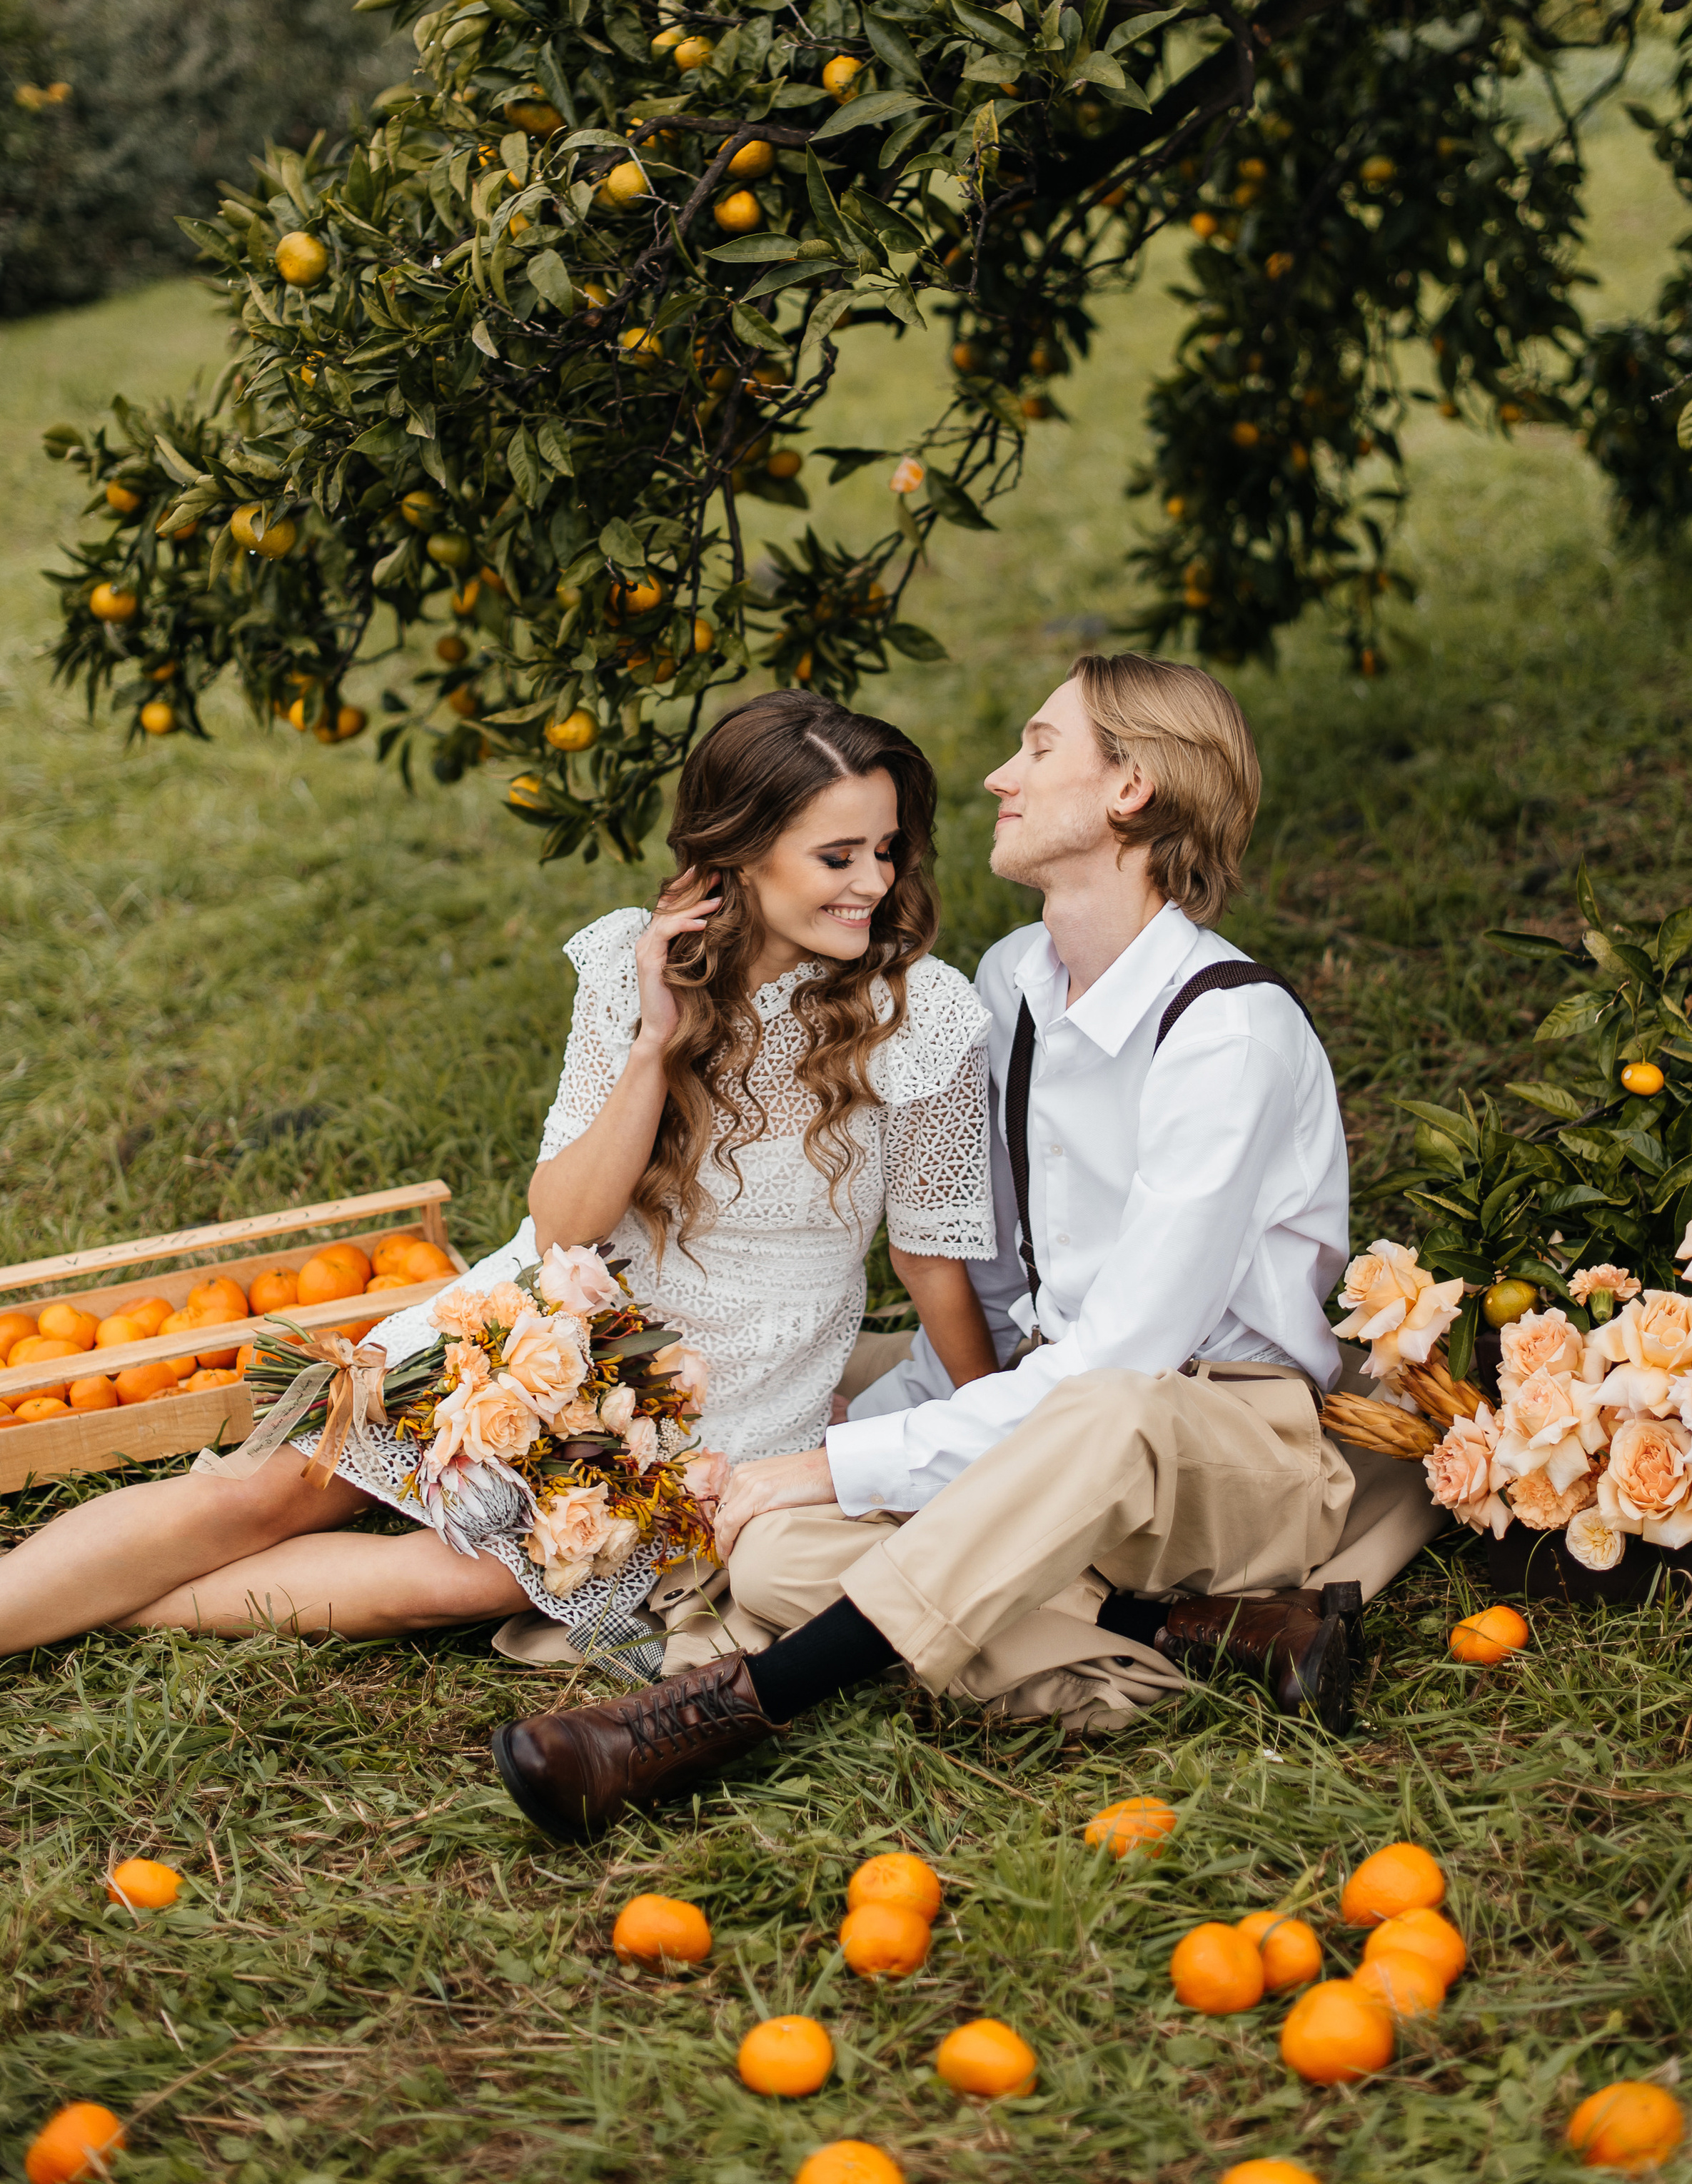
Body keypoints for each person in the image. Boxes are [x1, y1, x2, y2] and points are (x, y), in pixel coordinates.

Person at [492, 655, 1441, 1841]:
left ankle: (728, 1710)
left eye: (1040, 748)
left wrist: (838, 1466)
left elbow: (1126, 1362)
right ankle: (1203, 1638)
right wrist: (885, 1428)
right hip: (1051, 1419)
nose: (1000, 775)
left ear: (1130, 790)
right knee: (777, 1559)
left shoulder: (1228, 1036)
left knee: (1092, 1411)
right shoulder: (1014, 984)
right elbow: (991, 1287)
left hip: (1219, 1449)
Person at [0, 692, 999, 1664]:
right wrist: (654, 1046)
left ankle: (71, 1598)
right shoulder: (633, 967)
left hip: (733, 1391)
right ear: (740, 853)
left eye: (886, 849)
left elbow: (930, 1263)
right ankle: (1, 1615)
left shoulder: (930, 1017)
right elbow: (564, 1228)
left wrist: (990, 1433)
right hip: (552, 1315)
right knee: (262, 1495)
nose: (873, 883)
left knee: (460, 1580)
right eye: (837, 856)